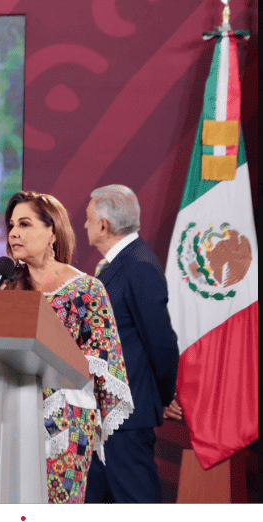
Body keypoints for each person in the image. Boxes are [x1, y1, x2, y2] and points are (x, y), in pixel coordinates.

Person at [0, 191, 134, 504]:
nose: (13, 233)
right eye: (11, 225)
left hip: (65, 422)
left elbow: (105, 360)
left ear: (52, 231)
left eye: (24, 224)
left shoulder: (86, 289)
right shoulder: (6, 288)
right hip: (8, 414)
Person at [83, 184, 179, 503]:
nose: (84, 226)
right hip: (105, 414)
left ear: (103, 225)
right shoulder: (119, 265)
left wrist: (163, 394)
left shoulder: (137, 265)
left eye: (88, 219)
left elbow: (161, 340)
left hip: (128, 414)